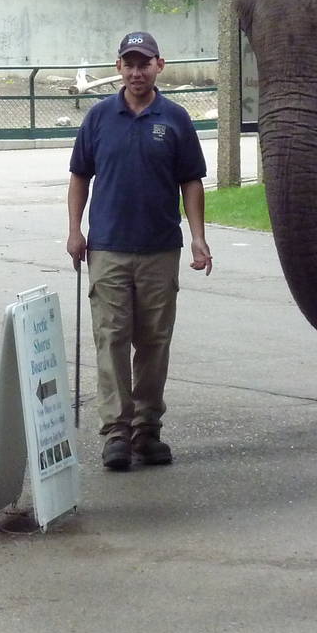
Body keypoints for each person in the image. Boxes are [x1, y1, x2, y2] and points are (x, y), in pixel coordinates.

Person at [66, 31, 212, 472]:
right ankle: (115, 431)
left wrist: (199, 236)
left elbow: (191, 180)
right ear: (118, 68)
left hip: (159, 249)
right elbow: (79, 177)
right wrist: (75, 230)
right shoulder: (97, 118)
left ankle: (147, 429)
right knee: (111, 338)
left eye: (143, 63)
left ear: (158, 66)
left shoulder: (176, 119)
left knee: (153, 341)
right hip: (107, 248)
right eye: (129, 64)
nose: (136, 72)